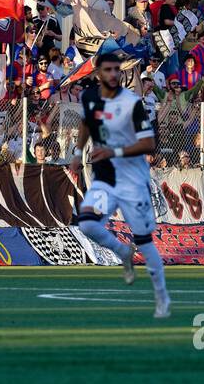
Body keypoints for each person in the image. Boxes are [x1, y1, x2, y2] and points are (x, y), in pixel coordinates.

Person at [68, 52, 171, 319]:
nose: (114, 74)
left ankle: (162, 298)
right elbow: (86, 124)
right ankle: (122, 252)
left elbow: (149, 144)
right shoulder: (90, 98)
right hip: (105, 178)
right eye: (108, 70)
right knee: (88, 223)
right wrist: (77, 155)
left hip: (132, 179)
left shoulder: (132, 103)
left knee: (146, 242)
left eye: (117, 70)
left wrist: (114, 152)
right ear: (98, 73)